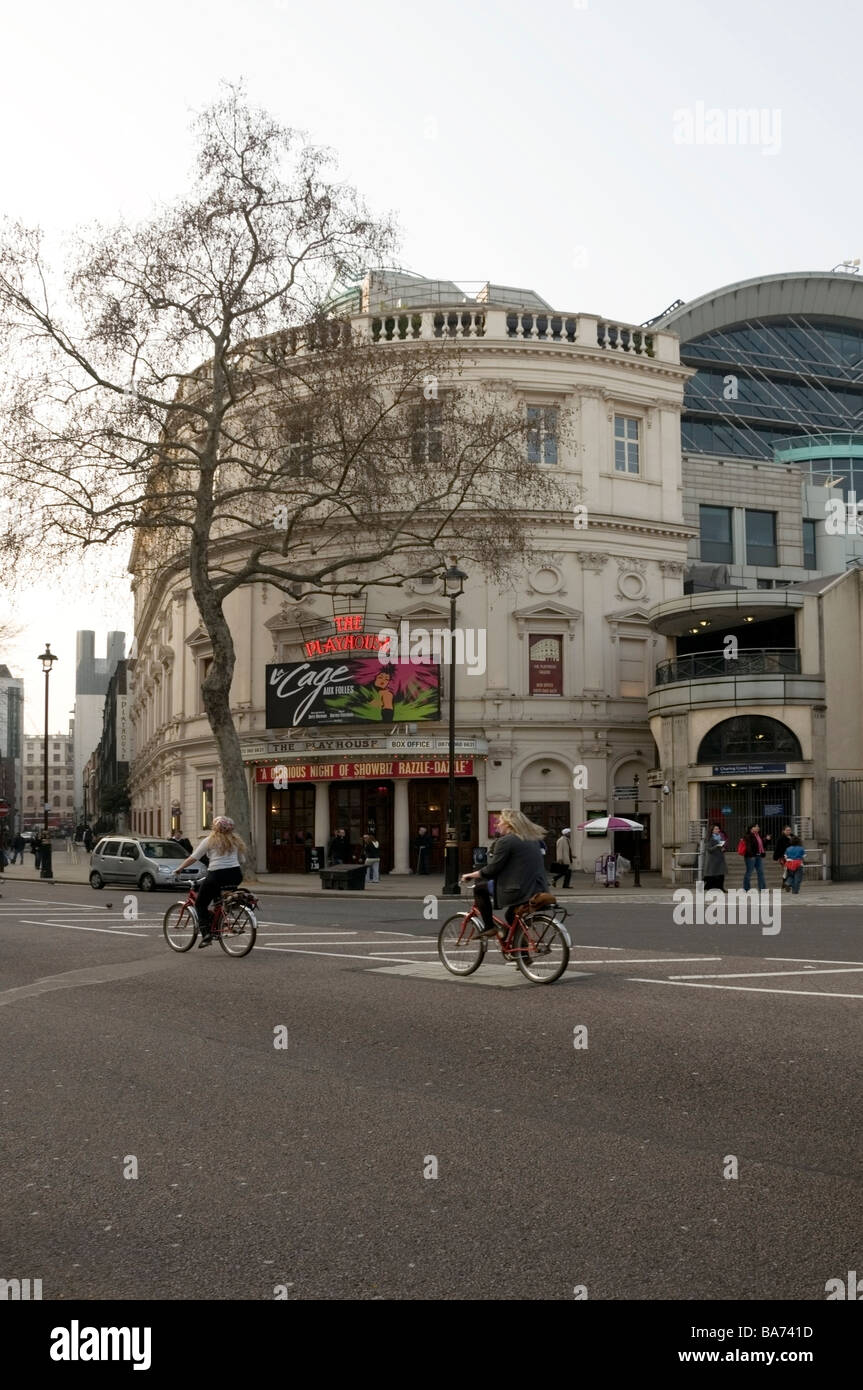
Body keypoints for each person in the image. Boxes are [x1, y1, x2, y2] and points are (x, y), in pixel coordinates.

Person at [460, 808, 549, 942]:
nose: (497, 824)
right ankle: (521, 955)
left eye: (500, 821)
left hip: (518, 889)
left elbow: (493, 869)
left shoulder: (506, 841)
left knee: (479, 889)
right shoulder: (533, 840)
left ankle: (489, 926)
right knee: (511, 916)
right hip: (537, 888)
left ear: (508, 824)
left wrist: (471, 875)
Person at [176, 815, 246, 948]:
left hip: (216, 874)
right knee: (220, 899)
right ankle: (221, 921)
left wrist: (179, 869)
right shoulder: (236, 841)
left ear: (215, 828)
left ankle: (206, 935)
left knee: (200, 904)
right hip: (236, 874)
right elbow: (242, 861)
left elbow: (193, 858)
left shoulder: (209, 840)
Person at [741, 823, 766, 892]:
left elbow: (762, 846)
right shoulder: (748, 836)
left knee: (760, 872)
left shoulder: (758, 836)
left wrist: (766, 840)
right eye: (756, 826)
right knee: (749, 872)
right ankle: (746, 888)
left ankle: (762, 889)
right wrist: (751, 855)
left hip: (758, 855)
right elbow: (748, 847)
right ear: (751, 828)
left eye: (758, 826)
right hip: (750, 856)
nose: (758, 827)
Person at [702, 824, 727, 891]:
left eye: (718, 829)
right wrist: (717, 846)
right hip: (712, 860)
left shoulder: (720, 837)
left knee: (721, 874)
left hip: (720, 859)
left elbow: (721, 847)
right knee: (711, 875)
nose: (717, 830)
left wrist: (723, 848)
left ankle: (721, 888)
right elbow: (709, 849)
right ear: (712, 830)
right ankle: (705, 887)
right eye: (715, 829)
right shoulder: (709, 838)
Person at [773, 824, 793, 890]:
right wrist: (776, 857)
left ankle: (784, 883)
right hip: (783, 857)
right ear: (783, 831)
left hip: (792, 856)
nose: (788, 831)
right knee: (786, 869)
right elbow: (778, 848)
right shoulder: (781, 838)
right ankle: (787, 884)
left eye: (789, 830)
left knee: (789, 870)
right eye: (787, 830)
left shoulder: (793, 837)